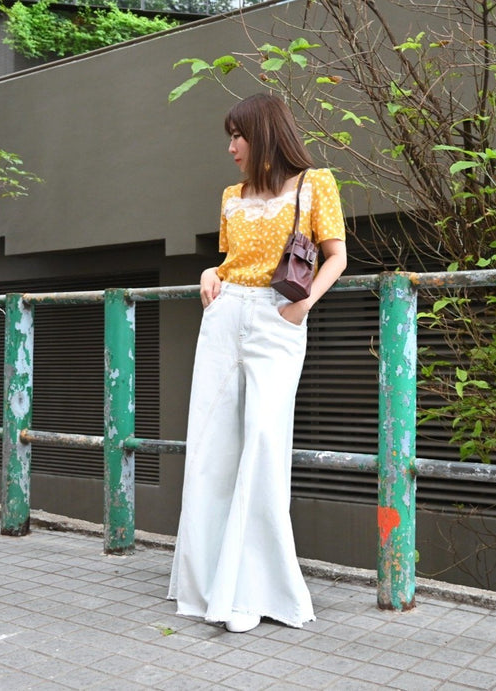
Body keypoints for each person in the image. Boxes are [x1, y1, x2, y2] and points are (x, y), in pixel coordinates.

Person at [167, 93, 347, 633]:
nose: (231, 148)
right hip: (223, 317)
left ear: (263, 133)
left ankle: (251, 592)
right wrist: (209, 273)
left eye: (237, 136)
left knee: (264, 447)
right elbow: (231, 261)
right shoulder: (231, 196)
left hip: (278, 318)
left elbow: (336, 254)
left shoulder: (316, 184)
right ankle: (203, 587)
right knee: (209, 448)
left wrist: (304, 305)